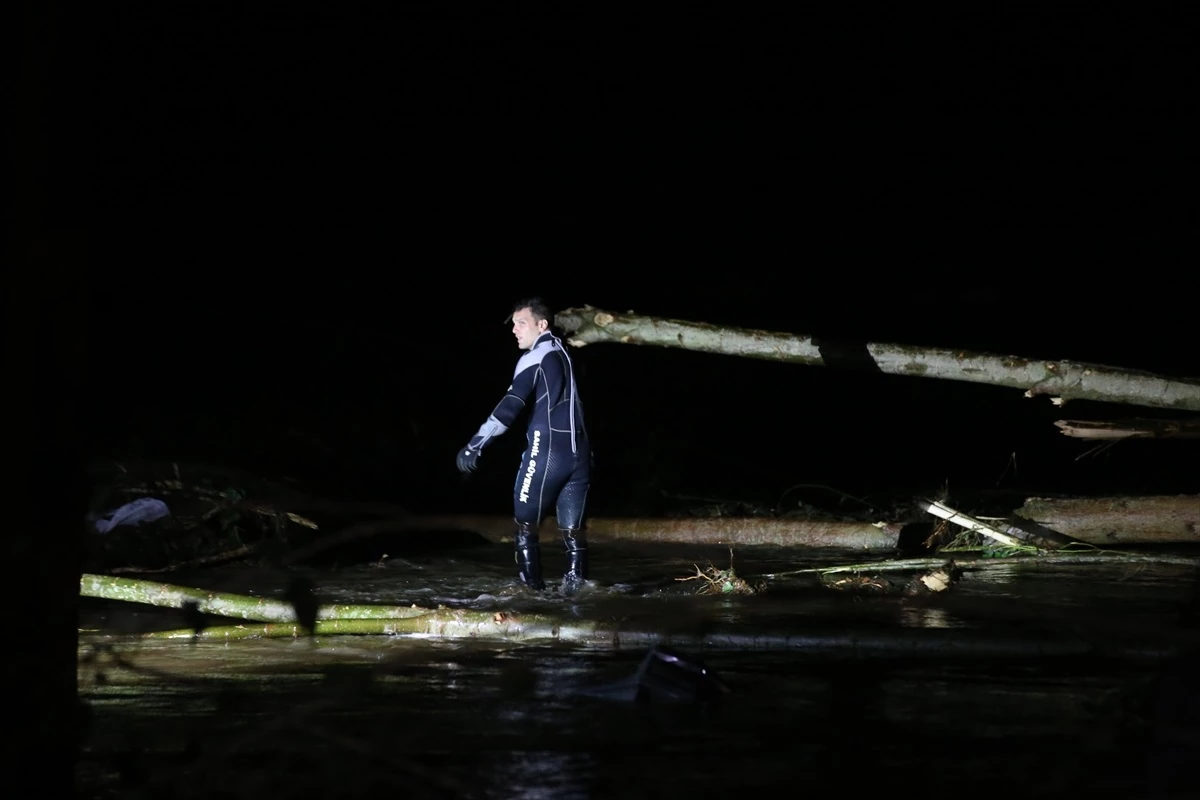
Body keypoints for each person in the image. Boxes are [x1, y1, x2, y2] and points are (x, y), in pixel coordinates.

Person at [455, 297, 592, 594]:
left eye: (521, 323)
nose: (515, 330)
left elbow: (511, 406)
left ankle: (532, 595)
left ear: (541, 325)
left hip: (548, 452)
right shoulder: (566, 354)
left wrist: (475, 444)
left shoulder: (536, 356)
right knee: (573, 532)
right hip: (580, 454)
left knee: (525, 525)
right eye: (514, 324)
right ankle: (579, 596)